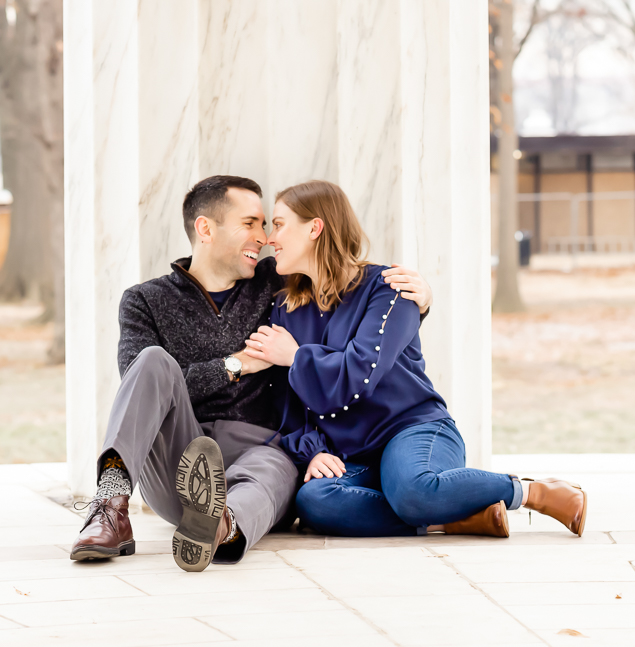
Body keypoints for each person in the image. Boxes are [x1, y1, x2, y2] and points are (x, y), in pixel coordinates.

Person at [70, 175, 435, 571]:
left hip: (264, 449)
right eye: (251, 224)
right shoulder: (145, 301)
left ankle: (220, 526)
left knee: (270, 472)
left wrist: (417, 300)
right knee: (154, 361)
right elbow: (140, 391)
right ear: (205, 228)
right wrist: (235, 365)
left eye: (267, 224)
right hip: (180, 454)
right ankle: (110, 505)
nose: (264, 237)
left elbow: (345, 285)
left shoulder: (277, 281)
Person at [244, 180, 587, 538]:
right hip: (354, 455)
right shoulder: (285, 310)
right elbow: (287, 400)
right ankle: (454, 517)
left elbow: (360, 373)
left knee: (413, 490)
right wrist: (313, 452)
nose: (270, 238)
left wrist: (298, 356)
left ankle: (532, 491)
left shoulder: (391, 288)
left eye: (279, 224)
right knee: (316, 501)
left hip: (413, 431)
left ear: (315, 228)